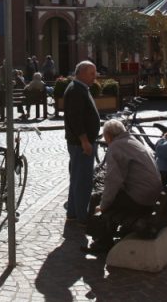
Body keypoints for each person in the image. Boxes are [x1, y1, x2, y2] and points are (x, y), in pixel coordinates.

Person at [84, 119, 162, 254]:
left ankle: (102, 242)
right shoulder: (133, 140)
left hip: (140, 199)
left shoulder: (115, 147)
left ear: (108, 135)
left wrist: (103, 205)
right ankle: (106, 236)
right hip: (152, 194)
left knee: (96, 199)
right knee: (111, 197)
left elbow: (113, 180)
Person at [64, 60, 101, 225]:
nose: (95, 77)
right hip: (81, 144)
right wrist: (85, 141)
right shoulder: (76, 90)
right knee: (83, 180)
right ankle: (82, 216)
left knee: (77, 179)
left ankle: (73, 212)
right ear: (82, 73)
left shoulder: (80, 88)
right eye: (92, 73)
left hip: (80, 142)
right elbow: (76, 119)